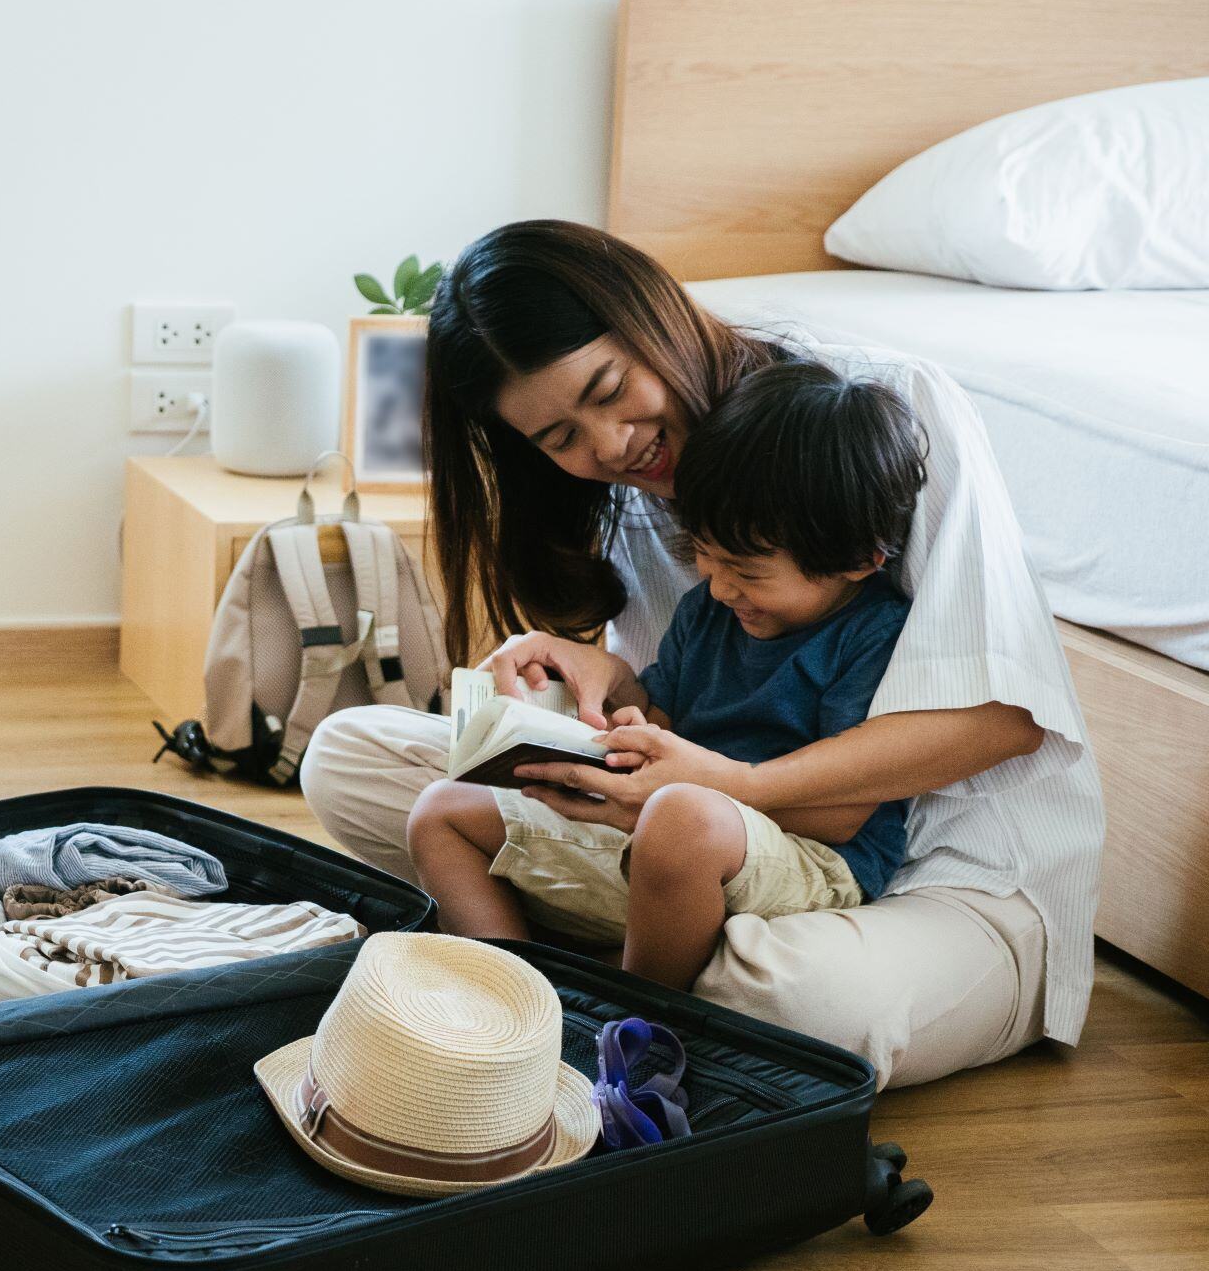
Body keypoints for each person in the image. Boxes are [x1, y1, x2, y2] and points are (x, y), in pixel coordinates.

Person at [300, 219, 1103, 1090]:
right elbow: (666, 710)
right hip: (691, 837)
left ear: (653, 314)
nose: (609, 446)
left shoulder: (885, 410)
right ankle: (596, 973)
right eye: (559, 439)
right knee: (349, 759)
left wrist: (733, 789)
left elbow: (1003, 720)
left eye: (609, 389)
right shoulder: (634, 490)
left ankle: (630, 983)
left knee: (809, 1002)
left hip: (935, 884)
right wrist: (596, 682)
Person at [407, 359, 923, 992]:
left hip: (807, 853)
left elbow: (841, 818)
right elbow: (662, 718)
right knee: (440, 811)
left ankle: (643, 1023)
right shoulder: (710, 606)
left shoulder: (874, 633)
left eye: (748, 570)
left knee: (682, 819)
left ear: (858, 560)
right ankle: (515, 1002)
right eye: (703, 553)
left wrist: (677, 795)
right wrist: (618, 732)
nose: (719, 583)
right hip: (664, 829)